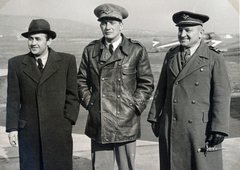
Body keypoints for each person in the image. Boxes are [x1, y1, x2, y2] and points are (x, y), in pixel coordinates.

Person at [147, 11, 231, 170]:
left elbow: (221, 95)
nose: (182, 34)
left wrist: (219, 127)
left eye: (188, 30)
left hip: (199, 128)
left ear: (201, 32)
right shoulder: (171, 55)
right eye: (180, 30)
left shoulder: (213, 58)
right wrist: (154, 117)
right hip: (170, 124)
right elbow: (161, 89)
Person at [77, 3, 154, 170]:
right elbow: (81, 81)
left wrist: (133, 107)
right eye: (104, 23)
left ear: (121, 24)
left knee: (126, 168)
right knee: (101, 167)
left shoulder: (136, 50)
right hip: (99, 121)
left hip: (126, 121)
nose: (107, 27)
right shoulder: (90, 50)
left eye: (112, 22)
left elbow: (146, 83)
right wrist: (91, 103)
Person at [6, 19, 79, 170]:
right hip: (29, 133)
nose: (33, 43)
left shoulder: (67, 61)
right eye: (30, 39)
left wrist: (67, 122)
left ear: (49, 41)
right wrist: (12, 128)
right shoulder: (16, 64)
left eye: (38, 39)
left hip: (58, 132)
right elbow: (13, 99)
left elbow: (72, 95)